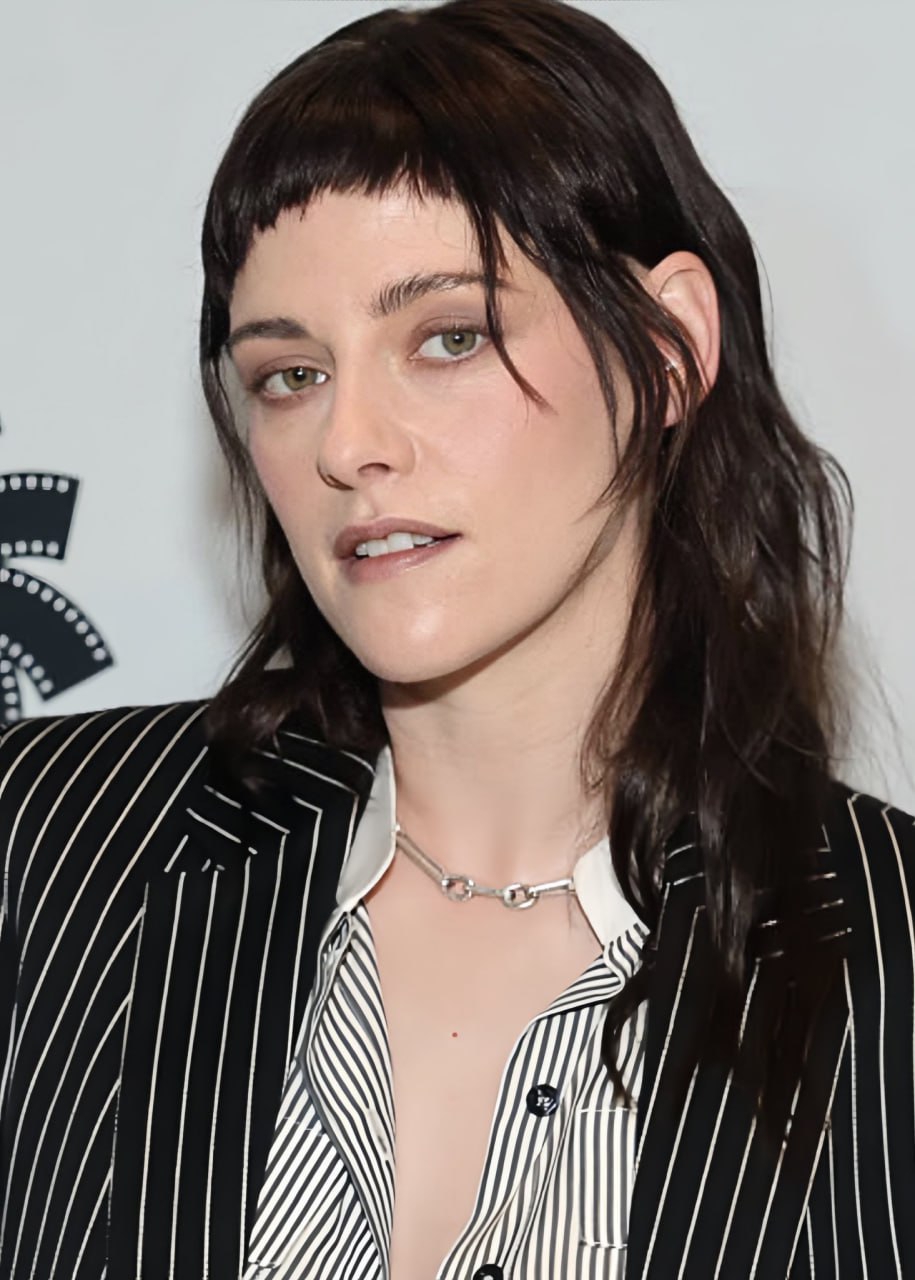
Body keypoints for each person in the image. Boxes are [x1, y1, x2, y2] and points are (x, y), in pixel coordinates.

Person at [1, 0, 912, 1276]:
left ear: (668, 350)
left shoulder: (894, 952)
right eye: (290, 373)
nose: (346, 443)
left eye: (448, 337)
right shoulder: (49, 840)